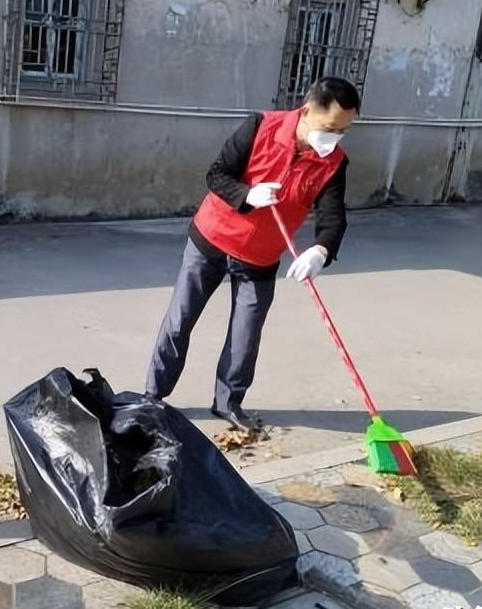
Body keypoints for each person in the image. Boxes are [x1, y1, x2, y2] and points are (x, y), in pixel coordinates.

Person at [145, 77, 359, 429]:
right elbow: (217, 175)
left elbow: (333, 214)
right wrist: (247, 194)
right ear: (306, 112)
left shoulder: (334, 162)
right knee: (180, 319)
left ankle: (229, 402)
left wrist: (321, 250)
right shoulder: (261, 126)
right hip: (212, 240)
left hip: (261, 257)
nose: (334, 138)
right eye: (330, 128)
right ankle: (153, 395)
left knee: (246, 334)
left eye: (344, 131)